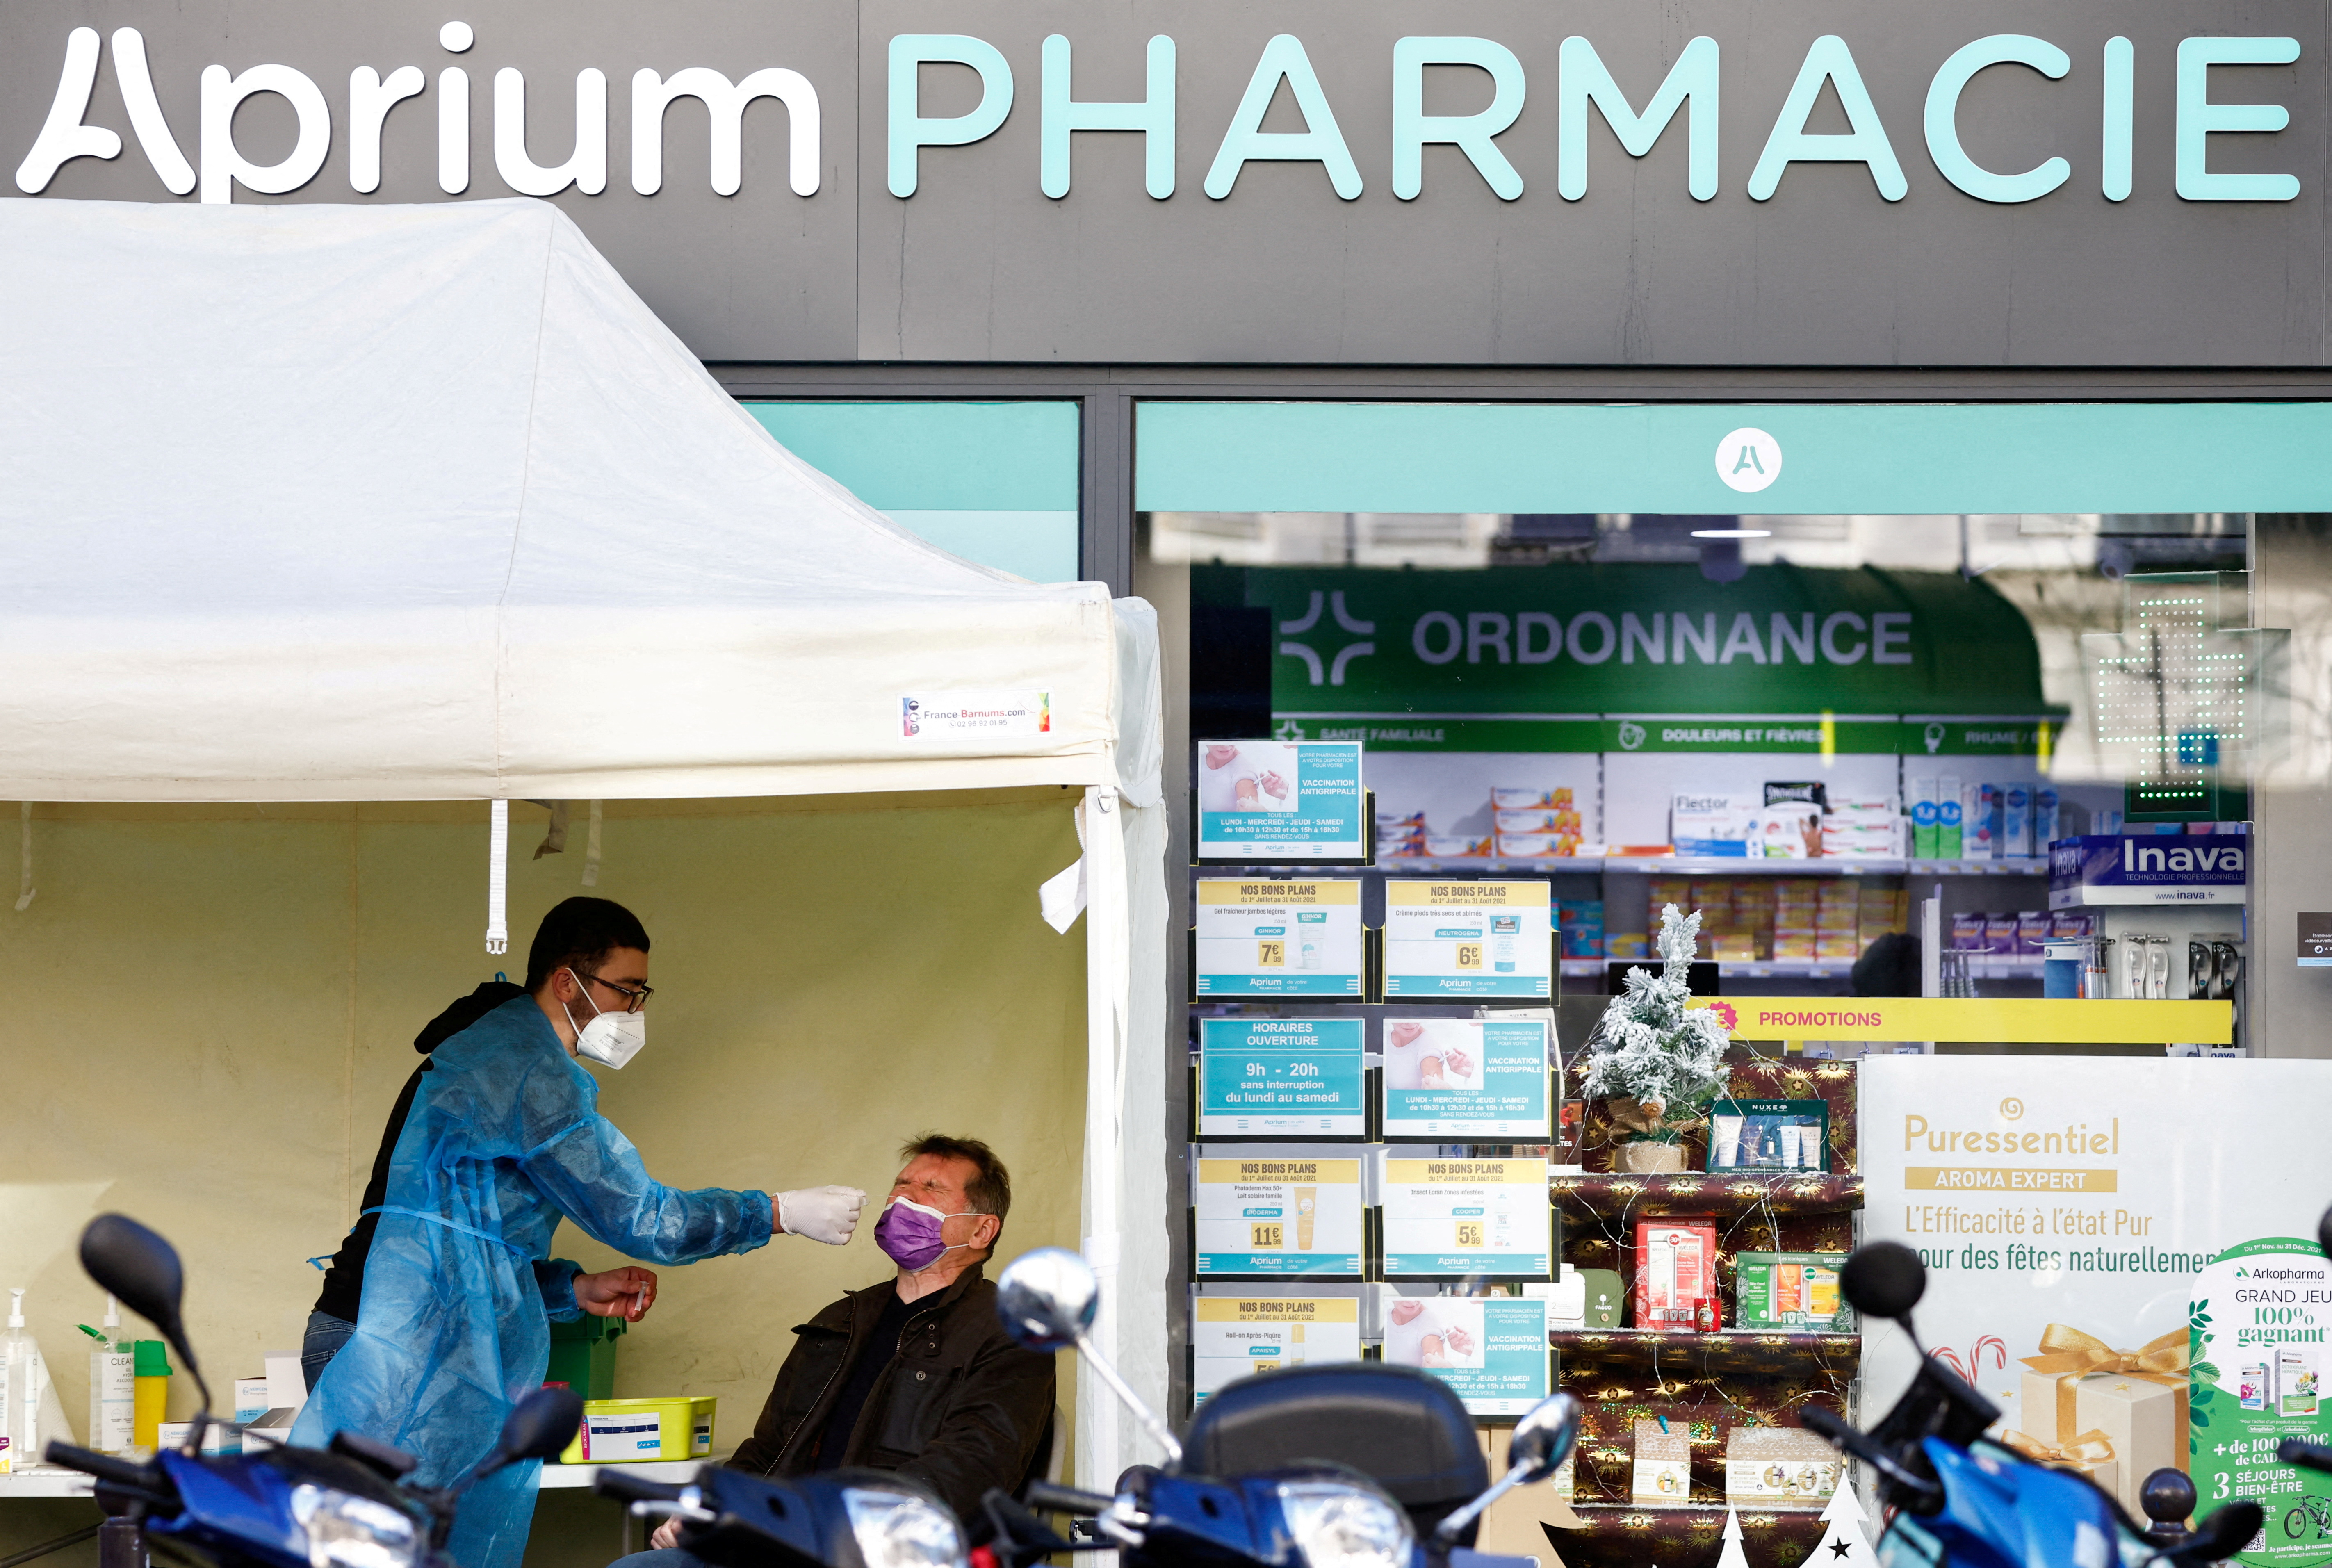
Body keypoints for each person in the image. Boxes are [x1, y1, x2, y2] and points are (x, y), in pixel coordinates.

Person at [291, 897, 868, 1568]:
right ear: (567, 981)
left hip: (403, 1332)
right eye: (627, 989)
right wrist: (775, 1210)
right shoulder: (527, 1072)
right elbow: (643, 1217)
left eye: (642, 992)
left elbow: (470, 1245)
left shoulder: (487, 1049)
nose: (636, 1011)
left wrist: (573, 1286)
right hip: (391, 1350)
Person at [618, 1135, 1056, 1565]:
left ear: (981, 1228)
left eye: (931, 1188)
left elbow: (972, 1465)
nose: (905, 1197)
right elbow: (769, 1448)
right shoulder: (839, 1318)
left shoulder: (1009, 1329)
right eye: (901, 1184)